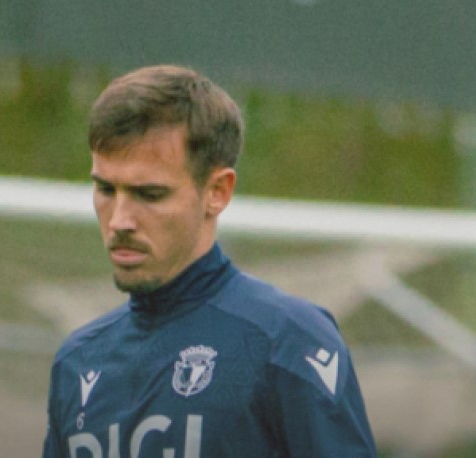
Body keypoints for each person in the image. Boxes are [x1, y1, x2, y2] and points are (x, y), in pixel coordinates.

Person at [42, 64, 376, 457]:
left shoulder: (288, 342)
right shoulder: (78, 361)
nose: (119, 221)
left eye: (149, 194)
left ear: (217, 191)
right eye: (105, 189)